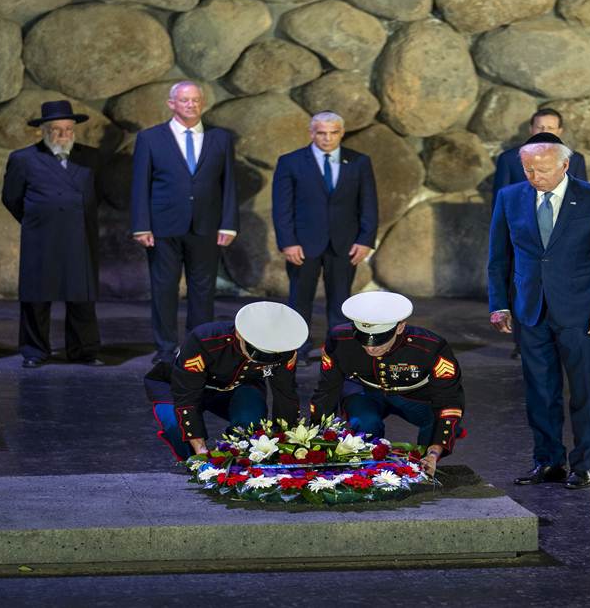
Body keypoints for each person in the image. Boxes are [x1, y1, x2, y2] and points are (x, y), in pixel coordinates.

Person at [488, 133, 590, 490]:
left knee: (583, 392)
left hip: (581, 314)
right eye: (529, 170)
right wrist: (500, 303)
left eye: (543, 170)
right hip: (530, 312)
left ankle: (582, 464)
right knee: (540, 392)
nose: (535, 177)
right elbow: (498, 257)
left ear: (565, 165)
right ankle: (548, 462)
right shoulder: (509, 197)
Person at [131, 81, 239, 364]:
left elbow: (228, 184)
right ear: (171, 104)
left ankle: (198, 347)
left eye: (195, 100)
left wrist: (228, 223)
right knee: (164, 288)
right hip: (163, 226)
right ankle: (166, 348)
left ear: (202, 104)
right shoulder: (151, 138)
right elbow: (140, 185)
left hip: (206, 225)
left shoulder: (221, 138)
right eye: (184, 100)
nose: (190, 105)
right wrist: (141, 225)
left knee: (203, 290)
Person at [308, 291, 464, 477]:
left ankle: (422, 466)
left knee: (434, 421)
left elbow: (449, 401)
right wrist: (317, 439)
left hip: (415, 397)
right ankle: (366, 467)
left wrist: (434, 452)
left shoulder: (430, 347)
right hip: (364, 392)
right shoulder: (339, 339)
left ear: (400, 328)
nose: (371, 347)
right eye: (363, 338)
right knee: (366, 423)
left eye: (380, 339)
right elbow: (327, 390)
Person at [2, 101, 103, 368]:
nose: (63, 135)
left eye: (68, 129)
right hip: (41, 238)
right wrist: (37, 219)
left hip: (79, 237)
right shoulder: (24, 159)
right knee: (37, 297)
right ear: (44, 131)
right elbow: (11, 197)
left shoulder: (90, 158)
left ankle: (84, 351)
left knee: (81, 297)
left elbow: (97, 196)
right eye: (56, 129)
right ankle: (35, 351)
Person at [272, 112, 378, 364]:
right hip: (303, 244)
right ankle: (297, 347)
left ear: (342, 133)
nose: (327, 138)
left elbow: (369, 204)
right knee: (300, 297)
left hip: (345, 244)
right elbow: (282, 207)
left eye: (333, 132)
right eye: (321, 133)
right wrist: (288, 242)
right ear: (312, 133)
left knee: (341, 299)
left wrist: (365, 240)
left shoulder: (359, 162)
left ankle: (337, 349)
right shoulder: (291, 162)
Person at [144, 301, 307, 460]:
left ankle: (235, 457)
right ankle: (194, 463)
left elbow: (285, 395)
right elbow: (186, 397)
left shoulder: (285, 349)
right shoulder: (204, 340)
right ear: (239, 335)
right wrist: (200, 451)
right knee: (176, 425)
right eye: (258, 354)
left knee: (249, 424)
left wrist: (286, 441)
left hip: (238, 386)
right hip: (180, 386)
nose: (265, 360)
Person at [492, 108, 587, 360]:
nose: (544, 132)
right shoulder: (509, 159)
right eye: (539, 127)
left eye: (550, 128)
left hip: (561, 239)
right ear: (531, 130)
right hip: (523, 238)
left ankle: (559, 341)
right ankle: (524, 344)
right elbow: (499, 203)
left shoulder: (574, 159)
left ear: (560, 131)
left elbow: (582, 200)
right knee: (522, 289)